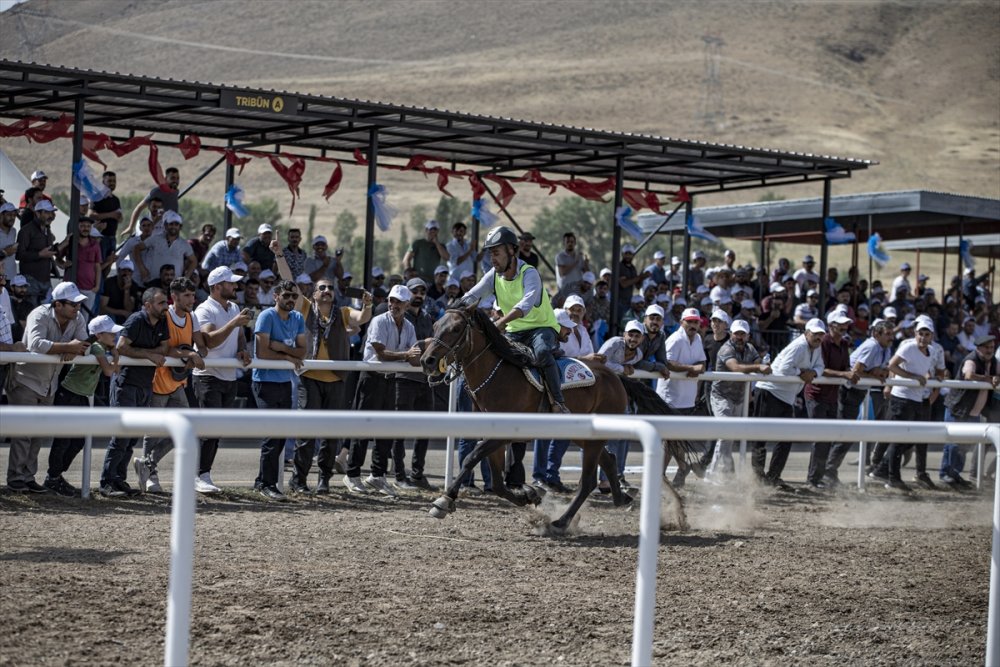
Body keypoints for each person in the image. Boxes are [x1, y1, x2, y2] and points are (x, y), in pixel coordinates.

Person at [273, 243, 372, 493]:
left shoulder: (344, 311)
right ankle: (299, 481)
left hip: (336, 380)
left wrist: (368, 305)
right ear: (314, 293)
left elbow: (362, 319)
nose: (327, 291)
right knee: (306, 433)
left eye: (329, 288)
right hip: (310, 378)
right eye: (322, 288)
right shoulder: (305, 307)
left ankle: (324, 480)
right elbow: (289, 282)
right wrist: (278, 254)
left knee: (331, 435)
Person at [462, 226, 569, 413]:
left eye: (496, 253)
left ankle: (558, 402)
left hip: (541, 328)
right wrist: (453, 310)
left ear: (512, 251)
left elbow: (524, 306)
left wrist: (500, 323)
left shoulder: (530, 273)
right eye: (490, 254)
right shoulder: (493, 276)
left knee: (543, 352)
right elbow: (472, 296)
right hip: (514, 332)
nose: (492, 259)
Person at [6, 282, 90, 493]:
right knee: (23, 434)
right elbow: (36, 344)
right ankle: (16, 478)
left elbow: (84, 345)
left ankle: (28, 477)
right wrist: (68, 347)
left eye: (78, 304)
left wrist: (74, 348)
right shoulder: (39, 314)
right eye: (73, 304)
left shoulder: (77, 318)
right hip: (25, 379)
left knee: (37, 434)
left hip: (48, 383)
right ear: (58, 304)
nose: (77, 308)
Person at [344, 284, 421, 496]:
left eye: (398, 301)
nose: (393, 304)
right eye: (391, 300)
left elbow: (414, 356)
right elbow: (381, 353)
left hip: (389, 379)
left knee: (386, 429)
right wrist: (408, 355)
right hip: (371, 378)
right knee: (363, 427)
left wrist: (422, 353)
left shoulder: (409, 327)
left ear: (406, 304)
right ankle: (352, 474)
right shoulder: (379, 320)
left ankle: (377, 475)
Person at [133, 278, 208, 494]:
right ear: (174, 297)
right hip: (158, 380)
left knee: (187, 429)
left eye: (193, 295)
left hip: (177, 382)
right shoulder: (164, 316)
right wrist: (189, 353)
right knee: (153, 432)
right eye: (187, 296)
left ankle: (147, 464)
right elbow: (164, 349)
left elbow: (200, 346)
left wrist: (197, 353)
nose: (191, 300)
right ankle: (151, 475)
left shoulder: (192, 317)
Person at [99, 288, 171, 497]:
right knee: (121, 436)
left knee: (131, 438)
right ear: (148, 305)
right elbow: (122, 347)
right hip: (126, 383)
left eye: (165, 302)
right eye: (160, 303)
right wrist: (149, 354)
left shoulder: (162, 321)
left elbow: (165, 349)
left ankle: (118, 480)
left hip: (144, 385)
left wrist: (148, 353)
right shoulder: (135, 320)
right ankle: (107, 482)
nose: (165, 306)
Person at [186, 267, 253, 495]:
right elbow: (209, 341)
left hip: (228, 376)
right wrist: (234, 323)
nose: (235, 286)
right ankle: (198, 474)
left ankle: (201, 473)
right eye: (230, 283)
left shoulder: (233, 307)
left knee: (216, 429)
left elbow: (240, 336)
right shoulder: (204, 309)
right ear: (217, 287)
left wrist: (243, 350)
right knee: (209, 429)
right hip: (207, 376)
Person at [44, 315, 122, 496]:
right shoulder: (96, 347)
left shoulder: (100, 346)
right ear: (100, 334)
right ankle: (53, 477)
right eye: (111, 333)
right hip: (70, 395)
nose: (114, 336)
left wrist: (113, 354)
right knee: (64, 439)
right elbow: (109, 371)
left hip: (80, 396)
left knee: (78, 440)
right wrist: (116, 357)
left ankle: (55, 476)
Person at [751, 318, 826, 489]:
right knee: (760, 437)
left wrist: (812, 372)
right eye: (815, 334)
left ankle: (773, 477)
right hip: (770, 391)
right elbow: (783, 369)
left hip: (785, 395)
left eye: (821, 334)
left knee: (785, 438)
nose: (818, 337)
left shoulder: (816, 347)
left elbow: (821, 366)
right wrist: (803, 373)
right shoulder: (799, 346)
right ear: (807, 333)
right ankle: (757, 479)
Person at [869, 320, 939, 492]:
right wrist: (913, 376)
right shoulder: (908, 347)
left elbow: (924, 370)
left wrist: (925, 376)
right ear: (915, 334)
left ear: (931, 336)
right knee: (899, 439)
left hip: (915, 399)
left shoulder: (931, 351)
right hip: (901, 398)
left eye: (926, 334)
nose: (922, 337)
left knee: (909, 439)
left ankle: (883, 470)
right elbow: (891, 365)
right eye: (920, 334)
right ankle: (892, 477)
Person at [804, 311, 859, 490]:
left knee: (826, 439)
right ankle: (813, 480)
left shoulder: (843, 343)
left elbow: (844, 367)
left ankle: (819, 478)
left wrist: (847, 372)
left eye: (845, 325)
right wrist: (845, 374)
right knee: (820, 439)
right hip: (817, 395)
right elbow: (821, 369)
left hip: (831, 396)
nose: (844, 328)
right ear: (831, 326)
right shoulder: (824, 342)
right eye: (840, 325)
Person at [708, 319, 768, 479]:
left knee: (730, 436)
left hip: (738, 397)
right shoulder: (726, 348)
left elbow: (757, 360)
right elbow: (735, 367)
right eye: (737, 333)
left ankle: (726, 473)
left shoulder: (750, 348)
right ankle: (712, 474)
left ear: (748, 335)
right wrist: (758, 367)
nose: (739, 337)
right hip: (721, 396)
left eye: (742, 334)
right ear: (731, 334)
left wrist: (760, 363)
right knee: (725, 434)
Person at [941, 334, 999, 486]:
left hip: (973, 410)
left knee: (964, 446)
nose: (990, 350)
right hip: (959, 408)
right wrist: (988, 378)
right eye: (987, 347)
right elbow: (968, 375)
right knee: (953, 444)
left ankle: (955, 474)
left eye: (992, 347)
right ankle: (946, 475)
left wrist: (996, 377)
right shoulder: (971, 359)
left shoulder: (993, 361)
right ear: (979, 348)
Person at [133, 210, 196, 283]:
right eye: (171, 224)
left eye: (176, 224)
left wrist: (186, 278)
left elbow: (193, 261)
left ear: (180, 227)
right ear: (166, 225)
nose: (174, 227)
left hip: (174, 285)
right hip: (154, 281)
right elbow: (136, 248)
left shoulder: (184, 244)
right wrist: (142, 269)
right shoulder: (155, 238)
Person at [15, 199, 58, 306]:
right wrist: (39, 255)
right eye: (46, 212)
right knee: (32, 314)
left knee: (47, 313)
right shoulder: (26, 231)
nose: (50, 215)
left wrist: (65, 242)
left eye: (51, 212)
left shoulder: (47, 230)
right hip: (31, 280)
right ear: (37, 213)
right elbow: (19, 255)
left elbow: (50, 251)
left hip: (46, 279)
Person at [123, 167, 180, 236]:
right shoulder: (157, 192)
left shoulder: (175, 192)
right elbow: (139, 208)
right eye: (172, 178)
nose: (176, 181)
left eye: (177, 178)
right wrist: (130, 227)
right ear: (165, 179)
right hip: (154, 229)